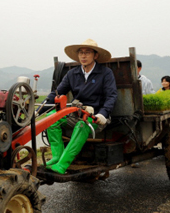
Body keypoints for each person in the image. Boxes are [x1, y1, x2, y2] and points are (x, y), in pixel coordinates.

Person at [44, 38, 118, 174]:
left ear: (95, 55)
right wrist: (40, 109)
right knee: (51, 119)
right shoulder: (72, 74)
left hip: (97, 116)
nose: (83, 56)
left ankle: (62, 165)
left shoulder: (105, 73)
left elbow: (111, 96)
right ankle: (56, 157)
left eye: (87, 52)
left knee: (82, 125)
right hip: (77, 113)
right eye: (81, 53)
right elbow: (57, 93)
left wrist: (103, 114)